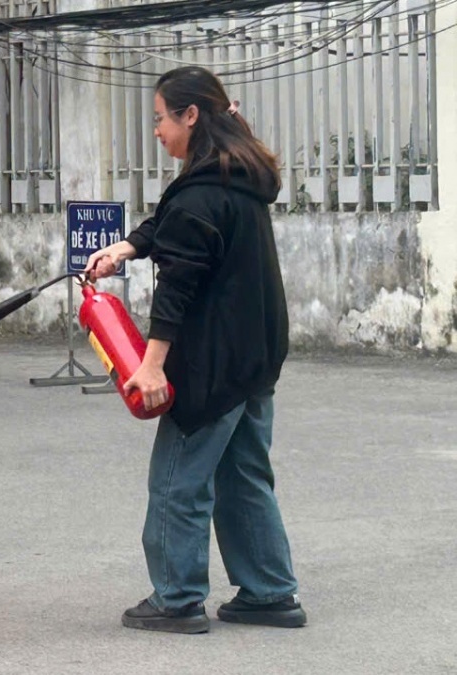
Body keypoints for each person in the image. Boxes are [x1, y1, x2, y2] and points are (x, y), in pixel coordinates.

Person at [85, 66, 305, 634]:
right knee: (243, 475)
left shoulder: (201, 192)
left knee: (177, 482)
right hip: (255, 358)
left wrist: (152, 366)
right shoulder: (236, 178)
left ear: (190, 116)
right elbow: (170, 225)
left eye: (161, 118)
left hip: (212, 362)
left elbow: (177, 288)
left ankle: (177, 597)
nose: (156, 130)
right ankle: (269, 592)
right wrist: (127, 247)